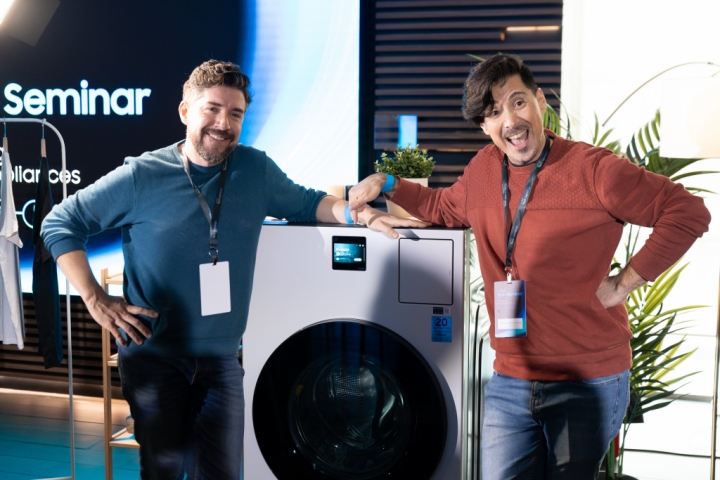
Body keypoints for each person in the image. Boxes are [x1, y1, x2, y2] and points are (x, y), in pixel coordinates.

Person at [41, 60, 428, 480]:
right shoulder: (142, 175)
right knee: (165, 472)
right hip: (155, 357)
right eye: (212, 109)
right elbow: (60, 223)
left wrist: (363, 215)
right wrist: (94, 298)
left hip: (223, 358)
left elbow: (308, 203)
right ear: (185, 111)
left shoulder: (254, 169)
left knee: (223, 473)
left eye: (235, 113)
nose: (223, 124)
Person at [348, 53, 711, 479]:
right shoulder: (484, 170)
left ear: (540, 102)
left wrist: (624, 283)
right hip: (511, 379)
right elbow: (444, 207)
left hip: (586, 379)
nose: (510, 121)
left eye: (518, 102)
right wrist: (387, 182)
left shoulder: (594, 170)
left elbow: (688, 213)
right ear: (484, 127)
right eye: (494, 112)